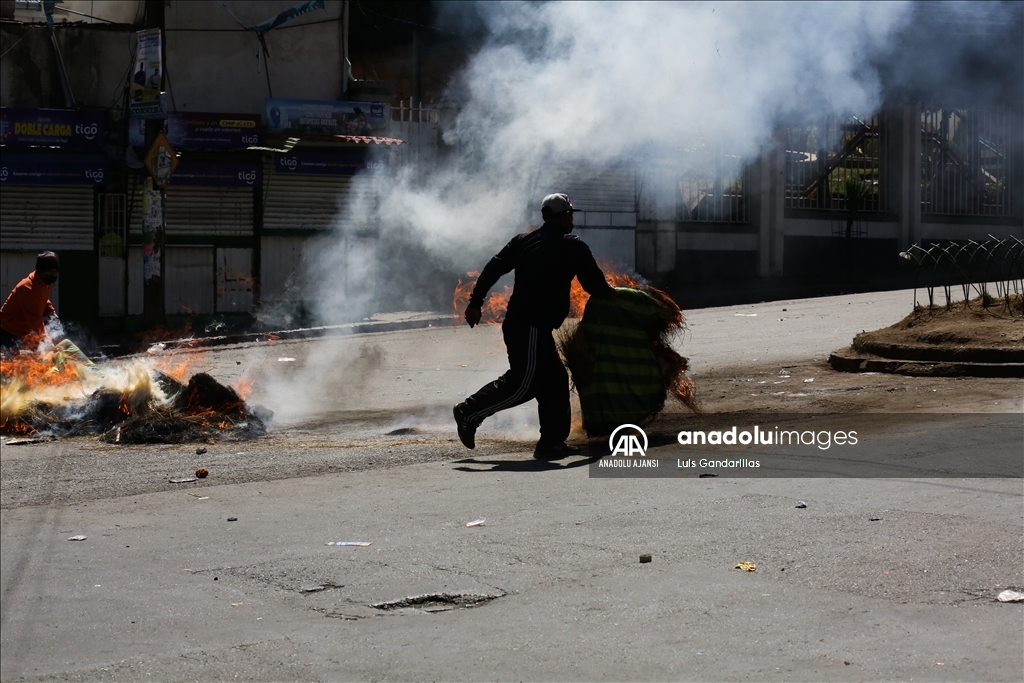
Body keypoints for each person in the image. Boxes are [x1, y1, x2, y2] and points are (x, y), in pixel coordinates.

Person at [454, 193, 615, 460]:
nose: (571, 218)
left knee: (554, 382)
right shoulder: (573, 245)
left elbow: (493, 267)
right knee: (523, 384)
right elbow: (594, 286)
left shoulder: (523, 241)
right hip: (529, 327)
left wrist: (475, 302)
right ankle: (469, 411)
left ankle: (551, 443)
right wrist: (614, 295)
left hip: (530, 327)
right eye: (570, 214)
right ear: (564, 216)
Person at [0, 251, 61, 352]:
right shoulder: (28, 288)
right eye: (50, 271)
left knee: (38, 356)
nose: (53, 274)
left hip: (25, 328)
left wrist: (51, 312)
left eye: (55, 271)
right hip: (9, 329)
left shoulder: (46, 283)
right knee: (12, 364)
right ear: (41, 271)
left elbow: (43, 300)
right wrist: (47, 342)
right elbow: (36, 322)